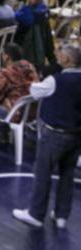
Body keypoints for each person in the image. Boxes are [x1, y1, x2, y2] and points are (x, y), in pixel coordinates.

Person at [12, 44, 81, 229]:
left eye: (59, 55)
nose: (56, 57)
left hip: (54, 134)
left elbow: (35, 91)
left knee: (43, 173)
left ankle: (36, 214)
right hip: (76, 136)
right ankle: (61, 216)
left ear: (66, 60)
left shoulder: (55, 81)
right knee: (67, 174)